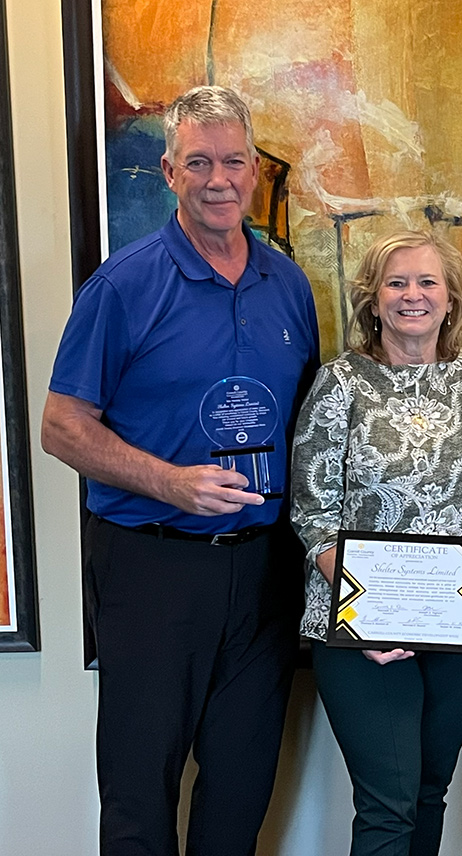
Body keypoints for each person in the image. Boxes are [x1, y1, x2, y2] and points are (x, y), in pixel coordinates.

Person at [41, 86, 320, 855]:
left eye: (233, 162)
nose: (218, 180)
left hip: (263, 571)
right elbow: (61, 426)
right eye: (198, 163)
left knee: (240, 787)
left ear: (255, 171)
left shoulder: (289, 285)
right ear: (169, 172)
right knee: (140, 790)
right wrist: (171, 482)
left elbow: (313, 429)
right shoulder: (122, 286)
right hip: (150, 566)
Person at [290, 229, 462, 856]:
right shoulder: (342, 382)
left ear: (450, 298)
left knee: (427, 793)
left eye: (426, 282)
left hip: (459, 622)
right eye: (396, 282)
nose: (412, 295)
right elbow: (313, 512)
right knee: (388, 804)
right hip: (359, 629)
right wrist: (374, 613)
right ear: (373, 298)